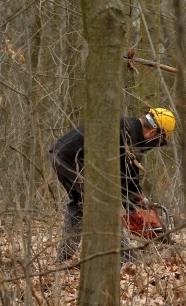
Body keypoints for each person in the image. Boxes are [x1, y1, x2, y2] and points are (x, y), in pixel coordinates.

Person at [49, 107, 176, 261]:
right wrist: (134, 207)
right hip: (72, 159)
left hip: (61, 155)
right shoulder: (128, 135)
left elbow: (127, 177)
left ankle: (63, 259)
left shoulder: (127, 128)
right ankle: (127, 260)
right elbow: (126, 178)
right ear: (153, 133)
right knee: (104, 206)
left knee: (80, 205)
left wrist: (140, 201)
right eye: (159, 143)